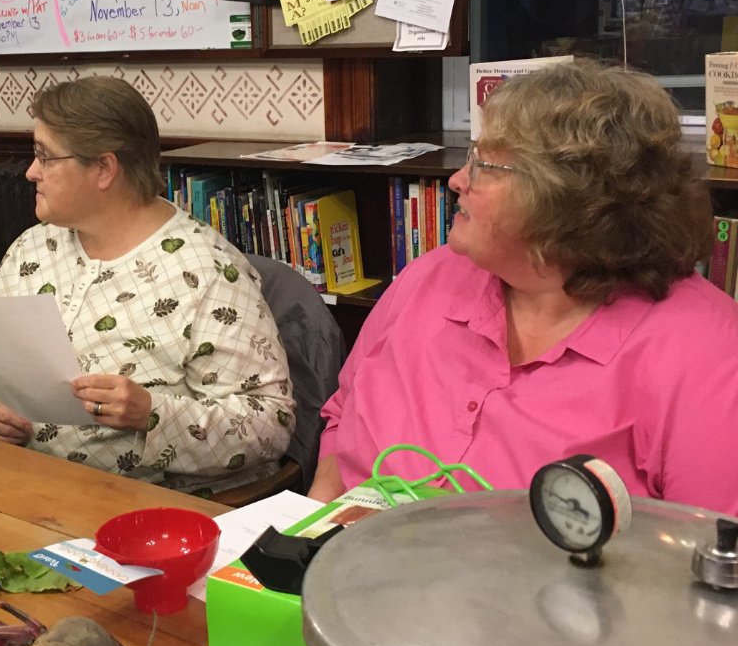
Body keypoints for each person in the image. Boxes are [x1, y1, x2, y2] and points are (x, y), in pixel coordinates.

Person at [311, 58, 738, 516]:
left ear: (565, 197)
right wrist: (305, 531)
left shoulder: (707, 353)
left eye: (484, 165)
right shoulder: (428, 278)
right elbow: (344, 415)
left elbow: (713, 556)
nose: (457, 180)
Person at [0, 77, 295, 497]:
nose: (30, 172)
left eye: (45, 156)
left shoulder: (209, 271)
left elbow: (270, 425)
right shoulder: (33, 247)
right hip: (20, 483)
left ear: (103, 168)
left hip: (146, 510)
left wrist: (152, 414)